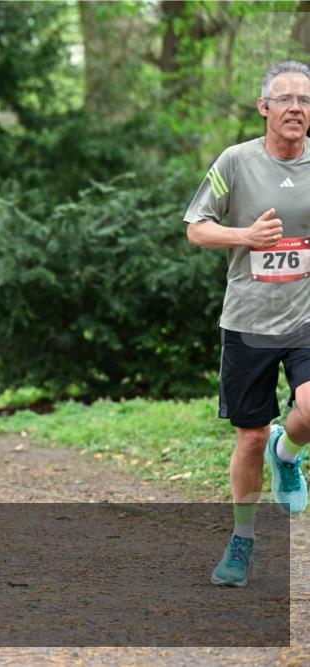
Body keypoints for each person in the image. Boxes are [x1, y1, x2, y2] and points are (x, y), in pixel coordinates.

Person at [183, 60, 310, 586]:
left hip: (305, 317)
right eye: (285, 99)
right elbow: (196, 229)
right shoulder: (235, 162)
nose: (296, 109)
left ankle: (291, 451)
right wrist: (245, 238)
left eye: (304, 101)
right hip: (248, 322)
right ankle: (242, 539)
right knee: (251, 437)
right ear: (264, 108)